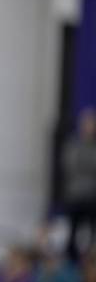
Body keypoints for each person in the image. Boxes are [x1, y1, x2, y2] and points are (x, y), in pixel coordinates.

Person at [64, 107, 96, 261]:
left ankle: (90, 258)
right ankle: (72, 259)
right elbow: (70, 164)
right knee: (72, 233)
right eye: (86, 124)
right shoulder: (73, 144)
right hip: (76, 195)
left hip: (91, 195)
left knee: (91, 232)